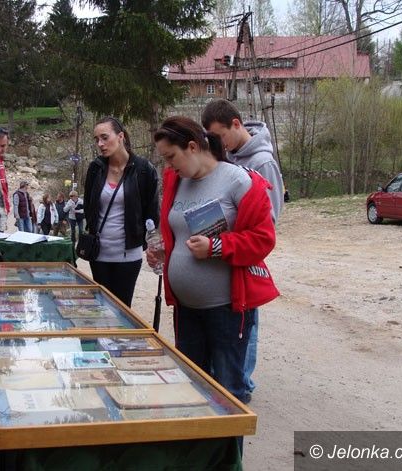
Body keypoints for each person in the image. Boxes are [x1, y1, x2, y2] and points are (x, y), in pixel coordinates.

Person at [149, 116, 279, 404]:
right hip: (186, 309)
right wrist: (165, 249)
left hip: (226, 312)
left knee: (228, 393)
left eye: (171, 157)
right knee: (192, 388)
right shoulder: (176, 180)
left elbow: (263, 239)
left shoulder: (239, 181)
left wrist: (216, 247)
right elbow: (177, 230)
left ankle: (230, 434)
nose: (168, 165)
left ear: (193, 147)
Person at [202, 98, 284, 400]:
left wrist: (232, 233)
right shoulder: (229, 156)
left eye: (220, 136)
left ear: (235, 125)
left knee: (245, 322)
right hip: (224, 248)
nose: (218, 144)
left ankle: (242, 384)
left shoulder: (262, 162)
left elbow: (269, 217)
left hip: (243, 251)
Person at [84, 116, 159, 307]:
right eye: (97, 139)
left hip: (129, 253)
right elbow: (88, 206)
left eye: (104, 137)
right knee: (101, 308)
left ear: (120, 136)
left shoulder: (144, 170)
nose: (100, 144)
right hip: (99, 253)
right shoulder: (96, 168)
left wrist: (149, 242)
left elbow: (152, 212)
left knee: (122, 309)